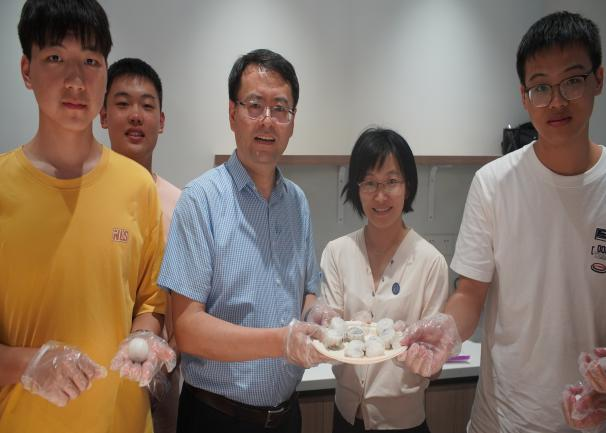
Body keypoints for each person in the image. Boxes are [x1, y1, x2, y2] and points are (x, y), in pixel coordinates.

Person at [397, 10, 606, 433]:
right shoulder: (494, 183)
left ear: (598, 79)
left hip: (590, 419)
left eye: (572, 80)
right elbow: (470, 293)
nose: (557, 101)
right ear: (524, 95)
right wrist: (447, 330)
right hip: (502, 419)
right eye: (541, 87)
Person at [0, 1, 175, 432]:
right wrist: (27, 363)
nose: (76, 80)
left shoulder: (137, 187)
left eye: (91, 61)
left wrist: (144, 336)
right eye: (55, 57)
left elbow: (151, 302)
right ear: (26, 70)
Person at [157, 48, 330, 433]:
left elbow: (307, 292)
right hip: (216, 417)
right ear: (232, 113)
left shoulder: (297, 202)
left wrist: (316, 315)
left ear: (292, 121)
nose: (267, 120)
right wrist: (281, 341)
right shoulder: (200, 200)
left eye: (280, 108)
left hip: (287, 416)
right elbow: (187, 329)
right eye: (255, 105)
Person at [320, 128, 449, 433]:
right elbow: (330, 331)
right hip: (345, 416)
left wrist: (426, 359)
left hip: (404, 422)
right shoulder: (337, 253)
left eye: (391, 181)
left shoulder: (430, 262)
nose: (380, 196)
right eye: (369, 183)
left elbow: (435, 363)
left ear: (408, 186)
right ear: (356, 188)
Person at [101, 57, 181, 433]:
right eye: (122, 103)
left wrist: (167, 362)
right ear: (103, 115)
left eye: (147, 106)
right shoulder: (85, 199)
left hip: (164, 380)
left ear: (161, 121)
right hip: (95, 379)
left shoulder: (182, 204)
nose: (135, 115)